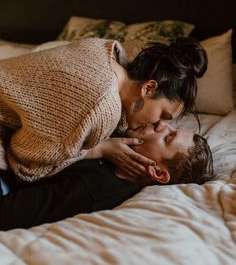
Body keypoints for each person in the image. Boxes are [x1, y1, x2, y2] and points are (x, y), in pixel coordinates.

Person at [0, 37, 207, 182]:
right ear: (149, 88)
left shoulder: (107, 50)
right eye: (163, 115)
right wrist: (100, 149)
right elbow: (26, 167)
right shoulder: (103, 104)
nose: (160, 125)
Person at [0, 122, 214, 230]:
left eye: (167, 137)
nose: (160, 124)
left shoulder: (94, 189)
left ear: (156, 171)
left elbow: (7, 213)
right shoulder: (111, 151)